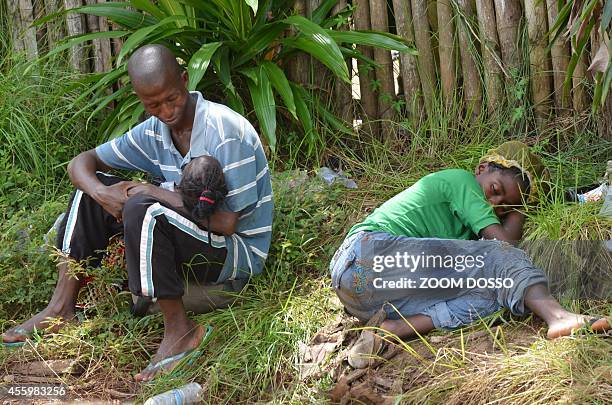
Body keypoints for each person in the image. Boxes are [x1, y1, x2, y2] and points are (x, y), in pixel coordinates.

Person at [1, 44, 273, 382]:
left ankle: (180, 331)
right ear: (140, 99)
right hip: (195, 236)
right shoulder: (154, 132)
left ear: (185, 80)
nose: (166, 110)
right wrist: (101, 191)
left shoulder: (225, 131)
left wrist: (152, 192)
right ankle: (62, 307)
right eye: (153, 104)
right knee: (94, 189)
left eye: (171, 98)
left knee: (145, 205)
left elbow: (227, 223)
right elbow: (82, 163)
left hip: (236, 253)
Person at [329, 141, 611, 369]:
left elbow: (501, 255)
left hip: (366, 297)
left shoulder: (464, 240)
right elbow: (505, 247)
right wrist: (518, 209)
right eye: (495, 190)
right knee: (496, 259)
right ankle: (558, 316)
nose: (493, 203)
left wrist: (519, 206)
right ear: (482, 168)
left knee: (493, 293)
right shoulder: (460, 180)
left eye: (503, 208)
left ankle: (392, 330)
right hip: (367, 253)